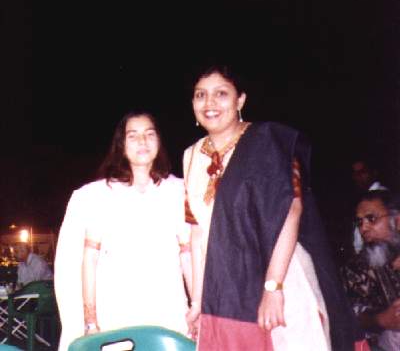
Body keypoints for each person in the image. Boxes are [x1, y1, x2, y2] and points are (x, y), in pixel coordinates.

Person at [183, 65, 368, 350]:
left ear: (240, 100)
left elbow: (290, 213)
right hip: (228, 288)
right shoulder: (191, 156)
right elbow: (198, 233)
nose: (209, 103)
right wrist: (198, 302)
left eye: (221, 93)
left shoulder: (267, 142)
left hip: (282, 275)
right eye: (200, 95)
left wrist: (274, 287)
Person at [54, 111, 191, 351]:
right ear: (122, 145)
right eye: (133, 135)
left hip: (168, 312)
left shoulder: (180, 190)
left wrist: (197, 306)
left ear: (159, 141)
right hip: (115, 315)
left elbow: (188, 254)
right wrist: (90, 322)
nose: (142, 141)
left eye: (149, 134)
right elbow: (86, 261)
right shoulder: (96, 195)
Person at [342, 190, 400, 351]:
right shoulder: (356, 267)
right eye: (359, 222)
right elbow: (350, 316)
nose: (364, 228)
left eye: (371, 219)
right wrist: (381, 320)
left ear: (397, 221)